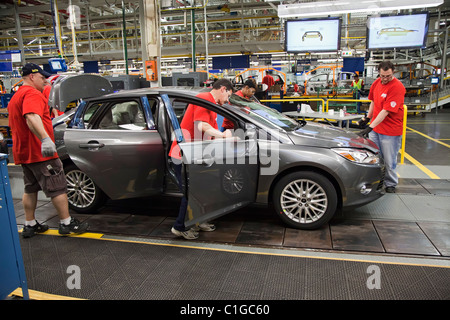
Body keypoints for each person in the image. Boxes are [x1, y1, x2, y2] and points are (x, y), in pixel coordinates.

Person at [7, 63, 89, 238]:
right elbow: (31, 117)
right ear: (31, 77)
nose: (45, 81)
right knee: (58, 187)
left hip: (24, 153)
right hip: (40, 153)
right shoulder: (31, 93)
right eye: (42, 78)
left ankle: (30, 224)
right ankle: (66, 223)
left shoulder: (16, 97)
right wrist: (45, 139)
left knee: (30, 188)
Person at [169, 78, 234, 240]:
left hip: (195, 155)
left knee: (203, 191)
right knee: (190, 193)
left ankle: (198, 220)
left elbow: (206, 133)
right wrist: (224, 135)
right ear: (223, 89)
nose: (227, 100)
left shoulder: (211, 104)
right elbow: (201, 126)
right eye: (228, 96)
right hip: (183, 155)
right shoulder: (204, 99)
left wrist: (224, 140)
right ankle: (180, 227)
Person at [358, 61, 406, 193]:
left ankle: (390, 184)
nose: (385, 79)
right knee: (375, 158)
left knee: (389, 160)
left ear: (393, 72)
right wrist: (367, 117)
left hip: (390, 131)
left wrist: (370, 127)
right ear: (379, 73)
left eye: (388, 76)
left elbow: (385, 111)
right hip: (376, 129)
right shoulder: (376, 83)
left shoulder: (397, 87)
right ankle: (377, 181)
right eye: (383, 76)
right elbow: (373, 101)